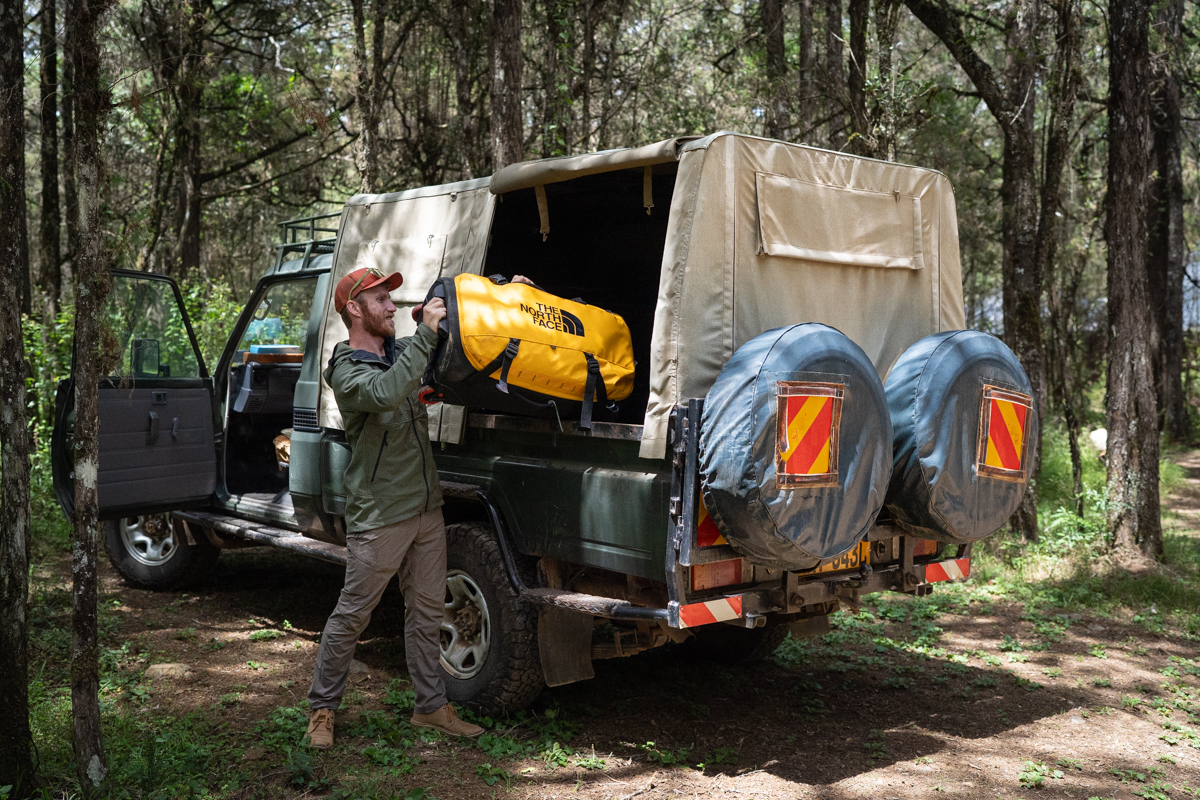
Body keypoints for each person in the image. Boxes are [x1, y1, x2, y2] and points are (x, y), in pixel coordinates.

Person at [304, 266, 483, 749]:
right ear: (355, 310)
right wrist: (424, 334)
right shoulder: (347, 370)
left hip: (426, 509)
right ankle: (322, 710)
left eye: (392, 298)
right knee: (353, 615)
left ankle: (430, 709)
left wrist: (506, 294)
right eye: (381, 299)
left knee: (427, 614)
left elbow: (455, 324)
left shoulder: (400, 350)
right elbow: (386, 393)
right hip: (380, 515)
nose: (392, 307)